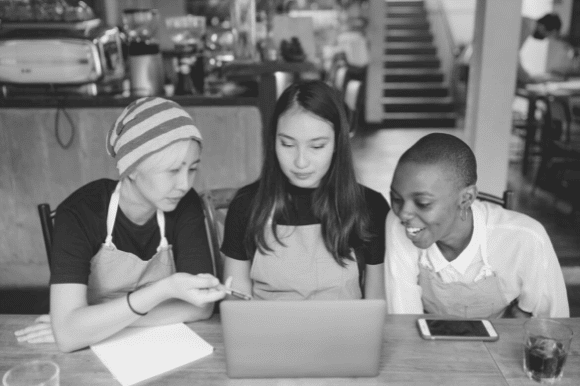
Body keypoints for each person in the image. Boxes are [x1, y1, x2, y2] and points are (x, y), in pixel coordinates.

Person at [15, 97, 229, 352]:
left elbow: (201, 307)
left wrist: (92, 326)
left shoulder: (186, 204)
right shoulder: (79, 212)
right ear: (132, 168)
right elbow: (69, 338)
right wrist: (165, 290)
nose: (185, 184)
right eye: (173, 171)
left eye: (192, 169)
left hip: (155, 346)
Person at [221, 80, 389, 300]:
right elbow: (235, 300)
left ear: (338, 143)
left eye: (317, 146)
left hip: (345, 334)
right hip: (267, 334)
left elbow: (377, 303)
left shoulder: (370, 206)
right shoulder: (246, 205)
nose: (300, 162)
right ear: (273, 141)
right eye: (287, 145)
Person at [385, 133, 569, 318]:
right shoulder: (398, 226)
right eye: (396, 198)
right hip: (427, 340)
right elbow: (404, 321)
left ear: (466, 198)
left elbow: (553, 326)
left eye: (423, 203)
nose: (403, 213)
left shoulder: (525, 238)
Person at [517, 13, 563, 85]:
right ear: (543, 26)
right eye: (548, 34)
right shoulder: (526, 26)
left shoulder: (526, 23)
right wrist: (528, 78)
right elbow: (513, 58)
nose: (545, 38)